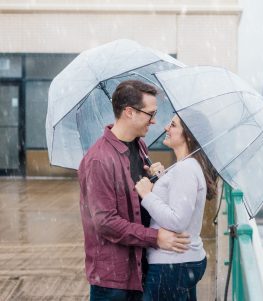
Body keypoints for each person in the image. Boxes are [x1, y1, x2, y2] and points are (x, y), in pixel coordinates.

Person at [78, 80, 190, 301]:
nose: (155, 120)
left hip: (139, 267)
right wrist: (156, 237)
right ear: (129, 112)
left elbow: (134, 198)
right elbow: (106, 223)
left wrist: (153, 180)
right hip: (113, 279)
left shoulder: (139, 146)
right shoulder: (99, 160)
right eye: (151, 113)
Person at [135, 114, 218, 301]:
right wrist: (163, 177)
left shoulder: (185, 169)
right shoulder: (186, 166)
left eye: (172, 125)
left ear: (188, 135)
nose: (166, 128)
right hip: (181, 263)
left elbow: (177, 220)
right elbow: (177, 201)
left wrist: (147, 194)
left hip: (171, 265)